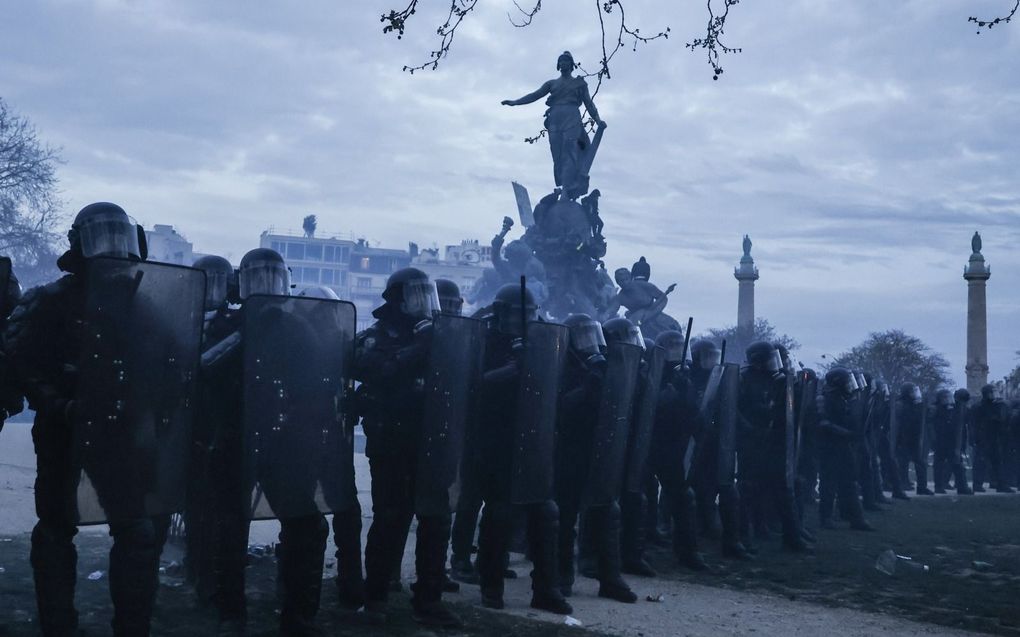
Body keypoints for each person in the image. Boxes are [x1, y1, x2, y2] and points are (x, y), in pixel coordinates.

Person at [4, 202, 174, 636]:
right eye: (103, 236)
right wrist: (59, 403)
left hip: (119, 435)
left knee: (135, 532)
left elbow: (170, 360)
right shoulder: (50, 301)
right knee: (57, 530)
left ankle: (131, 628)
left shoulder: (141, 306)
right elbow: (20, 358)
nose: (113, 248)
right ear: (79, 242)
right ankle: (59, 627)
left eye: (119, 236)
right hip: (63, 430)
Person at [355, 267, 461, 627]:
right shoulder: (376, 336)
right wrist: (420, 346)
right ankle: (376, 597)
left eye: (425, 294)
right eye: (415, 295)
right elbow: (380, 370)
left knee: (435, 518)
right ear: (397, 299)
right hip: (391, 441)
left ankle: (428, 599)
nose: (424, 303)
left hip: (431, 441)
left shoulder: (438, 336)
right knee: (390, 518)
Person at [473, 284, 572, 615]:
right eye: (518, 315)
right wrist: (515, 367)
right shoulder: (483, 340)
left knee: (546, 513)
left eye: (528, 315)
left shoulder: (542, 345)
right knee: (500, 513)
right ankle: (490, 585)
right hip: (497, 439)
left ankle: (546, 589)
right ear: (502, 314)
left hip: (534, 439)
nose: (523, 321)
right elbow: (475, 383)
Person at [557, 315, 638, 603]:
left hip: (599, 447)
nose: (590, 344)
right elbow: (559, 405)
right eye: (583, 337)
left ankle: (610, 578)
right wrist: (586, 386)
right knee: (564, 515)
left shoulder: (605, 367)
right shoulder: (561, 364)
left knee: (607, 510)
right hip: (568, 449)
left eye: (593, 336)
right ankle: (561, 576)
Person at [501, 50, 606, 200]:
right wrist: (515, 102)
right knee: (558, 156)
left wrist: (597, 119)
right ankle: (565, 185)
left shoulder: (579, 83)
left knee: (570, 151)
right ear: (558, 65)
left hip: (572, 118)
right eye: (561, 61)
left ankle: (566, 191)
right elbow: (535, 95)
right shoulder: (552, 84)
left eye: (566, 61)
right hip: (555, 121)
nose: (563, 63)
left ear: (571, 64)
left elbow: (589, 103)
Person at [737, 342, 810, 552]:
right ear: (758, 360)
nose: (774, 363)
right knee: (748, 490)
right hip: (751, 442)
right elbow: (735, 408)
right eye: (770, 358)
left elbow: (784, 410)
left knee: (783, 488)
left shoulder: (777, 380)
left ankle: (792, 537)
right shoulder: (744, 378)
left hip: (774, 443)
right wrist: (749, 429)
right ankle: (743, 537)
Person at [649, 330, 709, 569]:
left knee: (684, 498)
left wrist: (685, 391)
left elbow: (693, 415)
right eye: (671, 345)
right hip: (647, 444)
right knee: (637, 496)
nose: (676, 349)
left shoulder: (687, 378)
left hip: (673, 447)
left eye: (679, 345)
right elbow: (652, 406)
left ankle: (688, 552)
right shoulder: (650, 370)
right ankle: (633, 550)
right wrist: (672, 387)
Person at [971, 384, 1014, 494]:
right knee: (981, 462)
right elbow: (975, 424)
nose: (994, 394)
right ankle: (977, 484)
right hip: (983, 438)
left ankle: (1001, 484)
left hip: (994, 438)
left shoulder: (996, 406)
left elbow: (1001, 421)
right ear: (986, 394)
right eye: (991, 392)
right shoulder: (979, 407)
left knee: (998, 462)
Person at [895, 383, 932, 495]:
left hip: (914, 439)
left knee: (920, 463)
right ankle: (904, 483)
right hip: (903, 439)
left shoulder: (915, 405)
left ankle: (921, 487)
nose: (915, 394)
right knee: (903, 463)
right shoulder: (900, 405)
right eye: (912, 391)